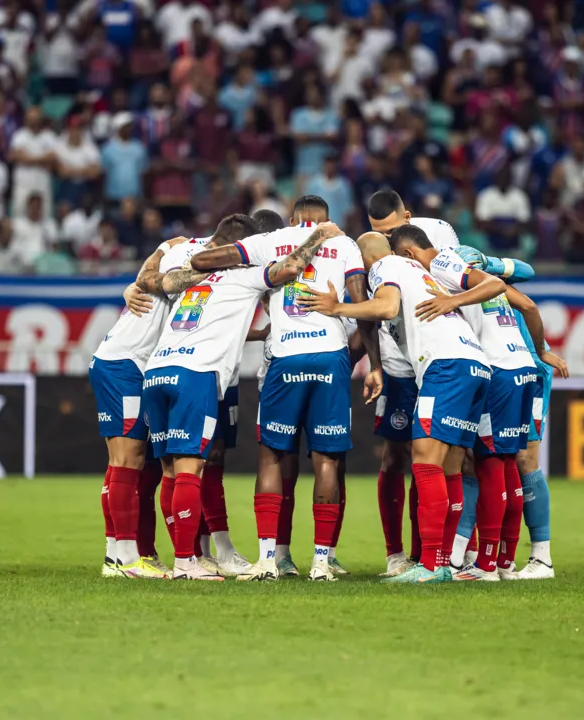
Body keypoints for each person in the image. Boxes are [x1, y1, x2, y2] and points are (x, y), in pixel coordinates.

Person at [190, 196, 382, 582]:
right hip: (332, 355)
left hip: (285, 356)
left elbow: (202, 261)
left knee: (272, 458)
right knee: (328, 461)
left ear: (293, 218)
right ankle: (323, 562)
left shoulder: (271, 240)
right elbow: (362, 302)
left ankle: (267, 559)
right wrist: (375, 365)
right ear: (326, 220)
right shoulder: (343, 243)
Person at [140, 219, 340, 581]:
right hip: (194, 374)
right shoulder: (243, 276)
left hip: (157, 371)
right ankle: (186, 562)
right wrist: (320, 235)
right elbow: (292, 267)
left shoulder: (191, 279)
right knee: (190, 468)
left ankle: (187, 558)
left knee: (169, 470)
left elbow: (155, 282)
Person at [297, 227, 494, 583]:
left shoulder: (385, 265)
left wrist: (337, 306)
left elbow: (386, 308)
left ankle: (431, 566)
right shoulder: (421, 271)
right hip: (475, 364)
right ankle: (445, 563)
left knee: (424, 460)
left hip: (446, 366)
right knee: (450, 467)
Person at [386, 226, 567, 581]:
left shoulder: (444, 267)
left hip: (495, 371)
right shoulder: (474, 263)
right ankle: (504, 561)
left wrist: (451, 302)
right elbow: (527, 300)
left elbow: (500, 286)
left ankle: (484, 565)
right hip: (524, 367)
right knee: (509, 462)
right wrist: (541, 350)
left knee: (488, 464)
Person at [8, 106, 55, 218]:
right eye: (30, 119)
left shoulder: (49, 137)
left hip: (42, 183)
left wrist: (29, 159)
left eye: (36, 119)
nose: (33, 122)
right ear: (26, 120)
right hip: (23, 184)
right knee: (19, 215)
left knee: (44, 216)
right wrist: (42, 158)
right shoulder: (19, 136)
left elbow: (53, 161)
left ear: (40, 120)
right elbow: (17, 157)